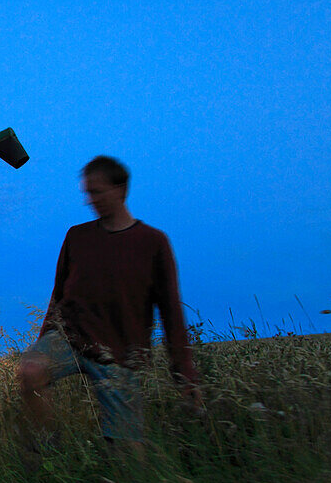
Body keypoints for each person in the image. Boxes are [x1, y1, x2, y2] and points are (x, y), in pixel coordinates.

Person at [17, 156, 202, 452]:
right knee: (30, 370)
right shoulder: (77, 237)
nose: (91, 200)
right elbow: (59, 295)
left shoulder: (153, 242)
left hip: (119, 354)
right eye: (87, 193)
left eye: (97, 192)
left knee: (128, 454)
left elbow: (171, 313)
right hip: (71, 340)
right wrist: (43, 345)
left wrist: (184, 375)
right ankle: (48, 452)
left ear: (121, 189)